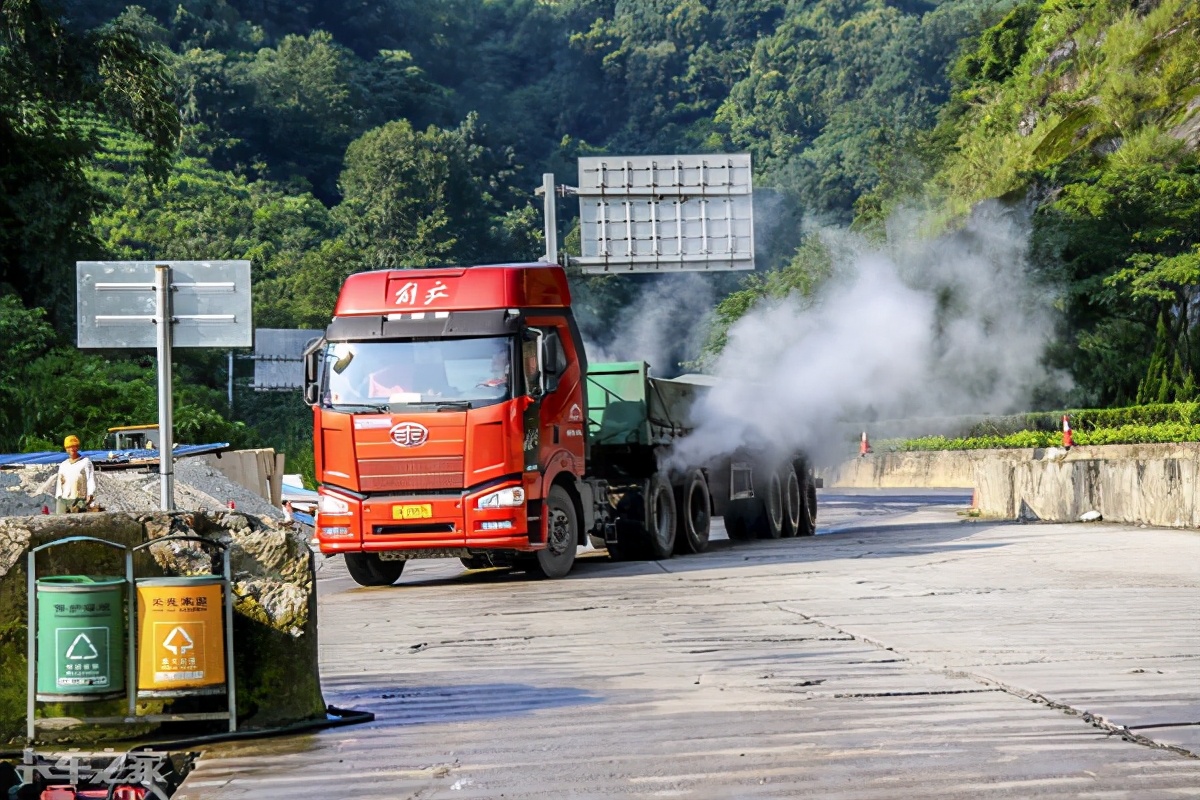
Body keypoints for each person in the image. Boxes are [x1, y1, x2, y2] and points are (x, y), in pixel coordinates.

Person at [55, 434, 96, 514]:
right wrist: (58, 496)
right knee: (61, 519)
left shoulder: (85, 462)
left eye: (74, 446)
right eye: (69, 447)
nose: (72, 449)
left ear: (77, 447)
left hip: (79, 499)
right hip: (64, 498)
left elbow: (90, 478)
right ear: (66, 449)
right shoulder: (63, 465)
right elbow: (60, 482)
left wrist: (90, 494)